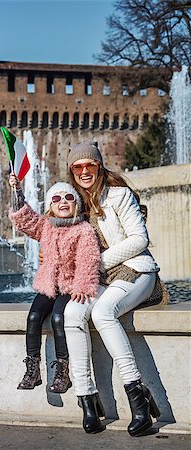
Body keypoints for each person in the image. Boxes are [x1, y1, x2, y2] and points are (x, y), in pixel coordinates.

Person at [63, 140, 167, 436]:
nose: (84, 171)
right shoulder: (76, 204)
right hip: (102, 279)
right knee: (72, 313)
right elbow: (46, 227)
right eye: (78, 167)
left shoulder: (119, 196)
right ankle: (88, 401)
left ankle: (139, 400)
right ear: (72, 172)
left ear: (99, 166)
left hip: (137, 270)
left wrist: (96, 262)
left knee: (104, 312)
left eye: (90, 165)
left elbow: (139, 239)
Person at [9, 172, 100, 394]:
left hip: (69, 287)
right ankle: (33, 369)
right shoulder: (46, 226)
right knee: (33, 317)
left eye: (68, 198)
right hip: (49, 284)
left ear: (76, 204)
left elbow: (89, 260)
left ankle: (62, 370)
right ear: (50, 206)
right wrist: (17, 191)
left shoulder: (84, 229)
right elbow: (25, 219)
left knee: (59, 317)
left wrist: (82, 286)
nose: (63, 202)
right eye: (56, 199)